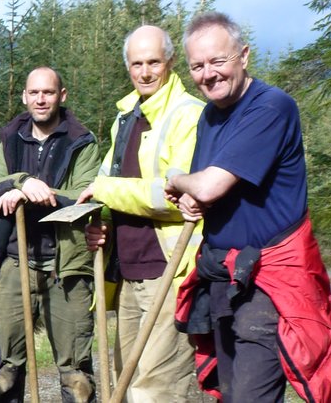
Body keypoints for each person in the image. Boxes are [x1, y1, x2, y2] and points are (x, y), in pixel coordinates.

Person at [163, 12, 331, 402]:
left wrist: (178, 177)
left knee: (251, 396)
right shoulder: (210, 117)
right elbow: (206, 193)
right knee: (230, 393)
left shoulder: (271, 107)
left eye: (218, 61)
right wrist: (189, 201)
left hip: (267, 281)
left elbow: (210, 184)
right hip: (221, 275)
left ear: (243, 55)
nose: (208, 74)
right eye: (197, 66)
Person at [77, 25, 203, 402]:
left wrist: (104, 191)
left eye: (153, 62)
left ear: (170, 62)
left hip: (171, 269)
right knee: (126, 383)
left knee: (157, 390)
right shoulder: (125, 116)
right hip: (129, 270)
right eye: (137, 64)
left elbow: (174, 194)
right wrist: (101, 227)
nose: (145, 72)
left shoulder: (189, 116)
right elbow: (107, 182)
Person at [0, 67, 100, 403]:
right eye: (34, 93)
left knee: (76, 374)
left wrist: (36, 193)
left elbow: (83, 196)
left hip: (67, 267)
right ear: (25, 97)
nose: (41, 99)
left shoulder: (81, 140)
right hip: (16, 263)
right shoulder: (11, 137)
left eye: (48, 92)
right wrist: (20, 182)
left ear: (62, 96)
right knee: (7, 368)